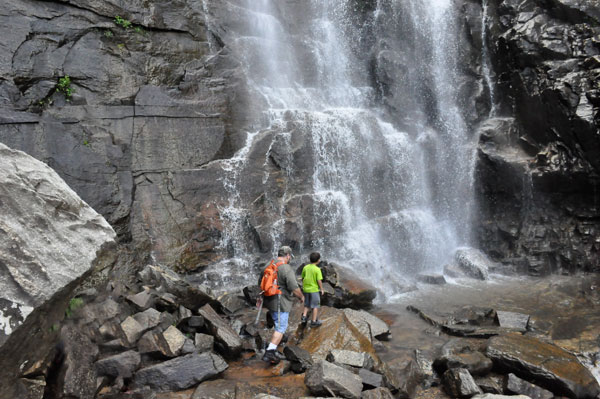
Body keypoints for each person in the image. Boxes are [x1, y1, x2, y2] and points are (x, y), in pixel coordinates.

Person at [262, 245, 304, 364]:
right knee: (281, 327)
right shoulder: (286, 268)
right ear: (288, 256)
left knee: (277, 322)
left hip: (269, 299)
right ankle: (269, 352)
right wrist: (301, 297)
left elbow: (261, 281)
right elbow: (293, 287)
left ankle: (274, 345)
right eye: (290, 256)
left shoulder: (268, 264)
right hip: (281, 302)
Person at [301, 252, 324, 327]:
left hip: (306, 289)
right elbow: (319, 280)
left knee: (306, 304)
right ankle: (313, 321)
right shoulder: (317, 269)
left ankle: (304, 317)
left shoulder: (305, 267)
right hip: (314, 290)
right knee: (315, 306)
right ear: (318, 260)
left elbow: (303, 277)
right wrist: (322, 289)